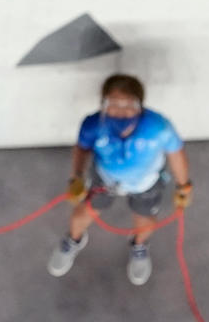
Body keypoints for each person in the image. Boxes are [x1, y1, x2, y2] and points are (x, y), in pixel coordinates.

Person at [47, 74, 193, 285]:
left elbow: (176, 154)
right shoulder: (92, 125)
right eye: (113, 103)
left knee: (144, 221)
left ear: (140, 106)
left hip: (146, 182)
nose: (121, 110)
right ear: (102, 103)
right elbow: (81, 150)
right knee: (81, 215)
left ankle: (139, 246)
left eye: (129, 104)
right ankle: (72, 240)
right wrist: (76, 177)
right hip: (105, 178)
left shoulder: (158, 127)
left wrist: (183, 186)